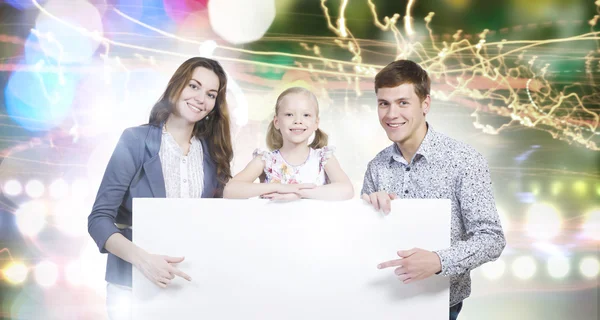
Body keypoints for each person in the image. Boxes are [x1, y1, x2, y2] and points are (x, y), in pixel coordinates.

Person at [87, 57, 234, 319]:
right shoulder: (134, 140)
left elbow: (223, 220)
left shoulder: (214, 155)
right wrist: (143, 260)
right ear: (176, 86)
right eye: (194, 86)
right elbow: (99, 220)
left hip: (193, 288)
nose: (201, 98)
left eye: (211, 94)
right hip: (131, 288)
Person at [361, 60, 506, 320]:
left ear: (425, 104)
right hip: (379, 303)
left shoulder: (464, 160)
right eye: (384, 103)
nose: (391, 114)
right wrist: (365, 209)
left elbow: (492, 238)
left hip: (439, 305)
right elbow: (362, 240)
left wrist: (439, 261)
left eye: (403, 102)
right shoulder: (376, 167)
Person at [224, 87, 353, 201]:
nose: (298, 121)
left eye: (306, 115)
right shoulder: (266, 160)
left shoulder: (323, 158)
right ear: (277, 122)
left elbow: (347, 190)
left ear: (316, 123)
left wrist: (299, 193)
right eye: (289, 114)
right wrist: (279, 187)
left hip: (313, 227)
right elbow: (230, 190)